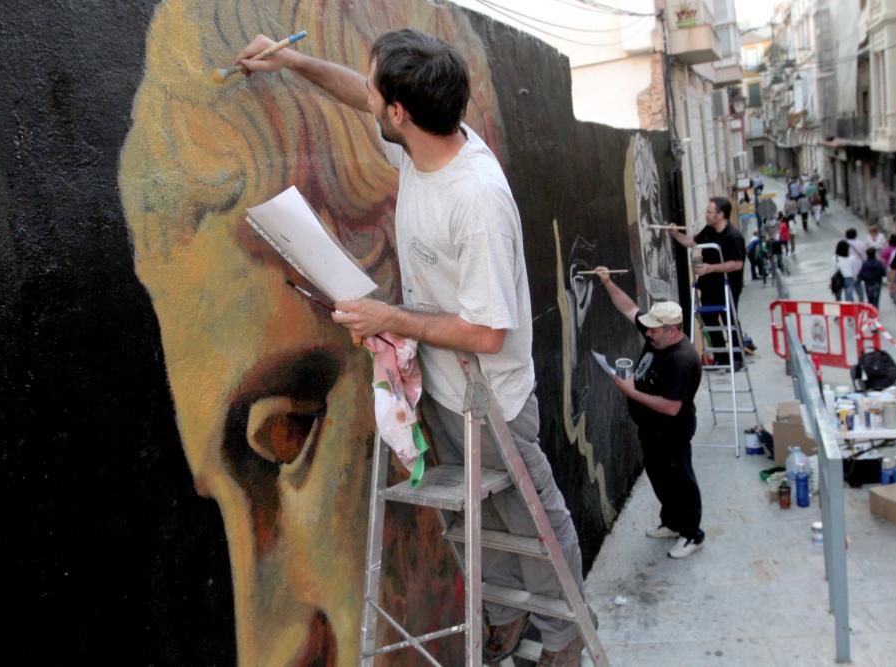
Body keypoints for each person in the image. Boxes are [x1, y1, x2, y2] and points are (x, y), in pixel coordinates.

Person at [237, 27, 587, 664]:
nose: (365, 93)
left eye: (376, 89)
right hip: (442, 385)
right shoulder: (421, 144)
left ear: (399, 112)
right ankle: (505, 618)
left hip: (493, 403)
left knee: (529, 519)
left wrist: (390, 317)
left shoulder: (474, 198)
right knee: (472, 523)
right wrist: (289, 61)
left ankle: (564, 640)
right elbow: (356, 94)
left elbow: (488, 332)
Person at [591, 287, 705, 559]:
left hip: (672, 432)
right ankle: (672, 523)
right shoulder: (658, 338)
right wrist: (607, 282)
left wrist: (630, 391)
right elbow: (629, 308)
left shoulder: (682, 360)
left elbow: (671, 406)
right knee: (661, 478)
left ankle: (692, 534)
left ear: (673, 330)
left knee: (680, 481)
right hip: (651, 430)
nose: (648, 332)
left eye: (655, 330)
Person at [670, 197, 746, 369]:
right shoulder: (709, 230)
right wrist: (676, 234)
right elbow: (691, 242)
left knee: (730, 321)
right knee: (709, 319)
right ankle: (722, 357)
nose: (706, 214)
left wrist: (711, 268)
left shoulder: (734, 236)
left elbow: (737, 263)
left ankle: (737, 358)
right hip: (709, 285)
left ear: (720, 215)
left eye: (710, 212)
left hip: (728, 285)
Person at [845, 228, 867, 301]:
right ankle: (861, 301)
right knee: (858, 285)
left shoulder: (845, 244)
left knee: (849, 286)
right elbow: (864, 256)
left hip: (849, 268)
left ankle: (850, 302)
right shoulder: (861, 243)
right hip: (860, 267)